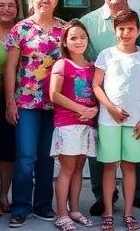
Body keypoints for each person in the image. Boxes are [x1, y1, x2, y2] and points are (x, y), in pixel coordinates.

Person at [80, 0, 140, 217]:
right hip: (102, 99)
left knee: (135, 146)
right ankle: (102, 196)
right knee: (102, 150)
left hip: (136, 98)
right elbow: (82, 61)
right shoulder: (88, 22)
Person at [5, 0, 67, 228]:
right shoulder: (20, 29)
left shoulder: (64, 29)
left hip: (55, 104)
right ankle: (20, 206)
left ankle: (43, 205)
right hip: (26, 103)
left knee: (47, 156)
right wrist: (10, 101)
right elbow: (10, 69)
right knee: (26, 155)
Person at [93, 10, 140, 231]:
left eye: (130, 29)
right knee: (109, 167)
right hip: (109, 121)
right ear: (115, 30)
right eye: (121, 29)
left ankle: (128, 213)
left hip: (136, 121)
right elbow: (96, 85)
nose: (126, 33)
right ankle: (108, 213)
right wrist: (111, 107)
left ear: (138, 31)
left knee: (130, 167)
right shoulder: (106, 55)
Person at [50, 20, 99, 231]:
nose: (78, 41)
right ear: (65, 42)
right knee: (67, 169)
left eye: (82, 37)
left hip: (88, 125)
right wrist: (80, 110)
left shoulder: (92, 66)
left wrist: (95, 110)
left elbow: (96, 94)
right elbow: (54, 94)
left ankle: (75, 209)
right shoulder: (62, 64)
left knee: (79, 168)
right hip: (68, 124)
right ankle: (61, 213)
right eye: (73, 38)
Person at [0, 0, 24, 217]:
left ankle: (4, 195)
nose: (6, 9)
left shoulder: (22, 32)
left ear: (17, 9)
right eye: (1, 4)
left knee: (10, 150)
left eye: (11, 5)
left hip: (16, 96)